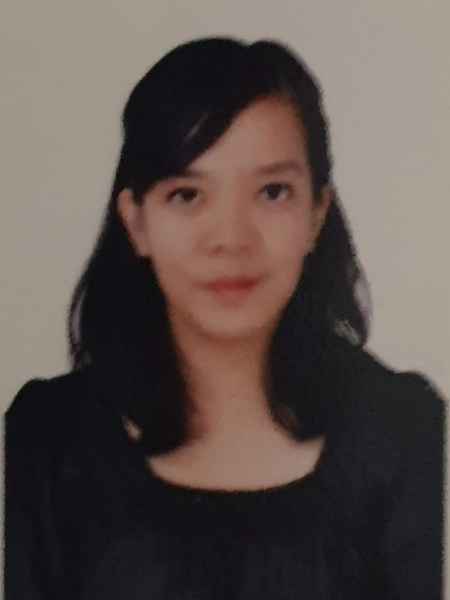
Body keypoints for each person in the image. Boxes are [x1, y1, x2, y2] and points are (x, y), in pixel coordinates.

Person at [4, 36, 445, 600]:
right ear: (136, 222)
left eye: (272, 192)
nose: (231, 239)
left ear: (317, 213)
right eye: (187, 195)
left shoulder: (408, 436)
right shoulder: (45, 444)